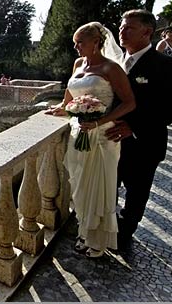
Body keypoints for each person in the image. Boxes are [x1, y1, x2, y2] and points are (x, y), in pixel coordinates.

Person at [46, 22, 135, 258]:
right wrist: (61, 108)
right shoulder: (78, 64)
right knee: (79, 184)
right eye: (75, 42)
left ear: (96, 42)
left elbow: (129, 102)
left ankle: (98, 241)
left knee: (100, 185)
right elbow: (69, 98)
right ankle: (84, 233)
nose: (76, 47)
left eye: (80, 42)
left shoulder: (111, 68)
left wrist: (100, 120)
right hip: (78, 132)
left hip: (103, 135)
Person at [104, 9, 172, 250]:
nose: (122, 31)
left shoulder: (167, 66)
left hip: (144, 143)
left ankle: (125, 234)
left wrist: (134, 126)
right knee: (108, 186)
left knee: (136, 193)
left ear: (147, 32)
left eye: (129, 27)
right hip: (109, 141)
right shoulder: (113, 62)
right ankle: (105, 228)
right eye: (121, 27)